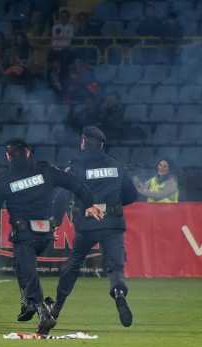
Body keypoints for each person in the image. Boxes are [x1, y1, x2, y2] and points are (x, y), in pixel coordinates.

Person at [0, 139, 103, 335]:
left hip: (24, 235)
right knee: (22, 266)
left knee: (26, 270)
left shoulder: (4, 178)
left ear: (8, 156)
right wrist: (90, 202)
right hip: (46, 234)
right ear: (28, 153)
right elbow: (74, 184)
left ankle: (41, 310)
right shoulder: (44, 169)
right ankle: (28, 303)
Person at [47, 126, 138, 329]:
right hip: (113, 222)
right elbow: (132, 195)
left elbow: (62, 194)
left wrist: (55, 221)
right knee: (115, 265)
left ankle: (56, 309)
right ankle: (118, 293)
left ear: (83, 142)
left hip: (88, 223)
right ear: (102, 145)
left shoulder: (77, 165)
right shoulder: (116, 164)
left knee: (73, 263)